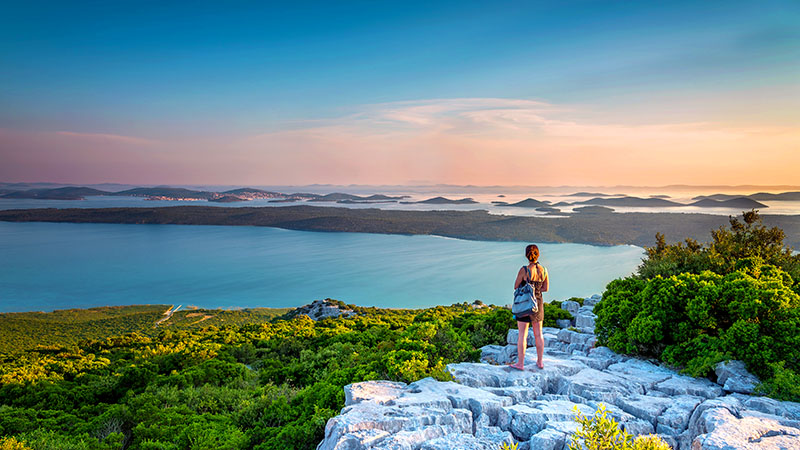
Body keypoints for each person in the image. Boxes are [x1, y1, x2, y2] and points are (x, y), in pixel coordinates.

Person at [509, 244, 549, 370]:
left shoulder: (524, 270)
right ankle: (540, 362)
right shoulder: (544, 270)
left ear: (526, 255)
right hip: (538, 303)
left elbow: (516, 286)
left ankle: (520, 364)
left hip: (525, 304)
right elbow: (545, 288)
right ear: (538, 255)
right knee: (539, 334)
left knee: (522, 335)